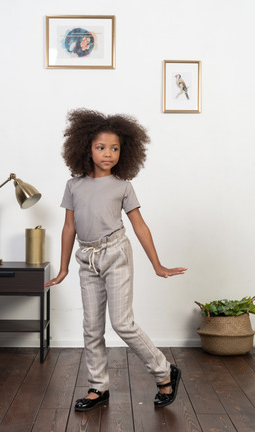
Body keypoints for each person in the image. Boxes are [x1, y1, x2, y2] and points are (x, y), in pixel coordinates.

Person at [45, 108, 187, 412]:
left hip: (116, 254)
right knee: (91, 327)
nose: (108, 153)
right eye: (101, 147)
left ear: (125, 151)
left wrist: (157, 264)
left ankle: (164, 373)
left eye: (115, 148)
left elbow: (139, 225)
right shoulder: (74, 185)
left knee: (122, 323)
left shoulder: (123, 185)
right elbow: (69, 227)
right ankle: (98, 386)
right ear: (85, 148)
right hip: (87, 258)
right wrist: (65, 267)